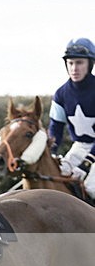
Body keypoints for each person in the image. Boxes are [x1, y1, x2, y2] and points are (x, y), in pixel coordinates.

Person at [48, 37, 95, 200]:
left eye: (79, 63)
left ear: (90, 64)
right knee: (60, 177)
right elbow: (55, 129)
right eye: (71, 63)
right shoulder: (61, 94)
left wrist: (87, 163)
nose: (74, 68)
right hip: (80, 146)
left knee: (91, 187)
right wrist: (52, 152)